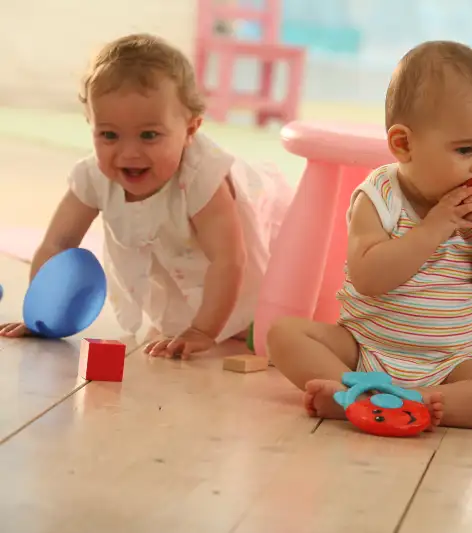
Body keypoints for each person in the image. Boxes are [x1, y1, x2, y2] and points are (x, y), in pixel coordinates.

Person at [267, 41, 472, 430]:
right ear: (403, 144)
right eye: (465, 149)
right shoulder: (380, 195)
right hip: (363, 350)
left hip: (448, 366)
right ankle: (357, 391)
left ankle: (413, 402)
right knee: (286, 335)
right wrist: (434, 228)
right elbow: (369, 277)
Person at [0, 33, 292, 358]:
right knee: (177, 316)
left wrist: (203, 332)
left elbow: (229, 259)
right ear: (90, 124)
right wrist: (41, 314)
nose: (129, 153)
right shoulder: (94, 176)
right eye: (109, 135)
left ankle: (237, 321)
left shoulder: (201, 177)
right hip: (180, 264)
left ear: (191, 131)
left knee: (258, 315)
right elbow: (58, 243)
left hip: (248, 247)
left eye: (149, 135)